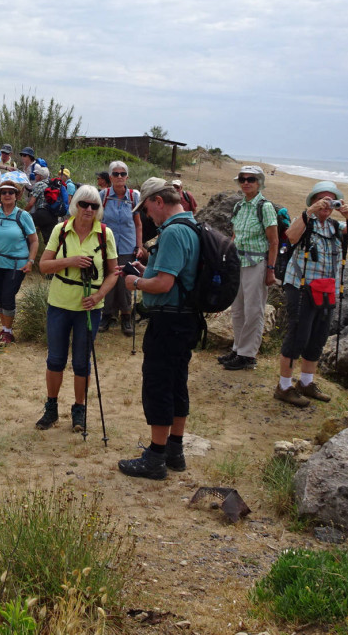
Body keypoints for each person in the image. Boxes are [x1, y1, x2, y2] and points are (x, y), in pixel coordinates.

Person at [118, 179, 199, 479]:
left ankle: (155, 457)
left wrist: (135, 282)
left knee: (158, 386)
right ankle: (174, 451)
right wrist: (145, 270)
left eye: (148, 209)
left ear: (159, 202)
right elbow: (172, 274)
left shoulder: (174, 232)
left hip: (168, 320)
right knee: (177, 383)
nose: (148, 216)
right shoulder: (191, 226)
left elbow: (164, 284)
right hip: (185, 318)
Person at [275, 180, 348, 406]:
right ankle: (283, 386)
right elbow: (292, 236)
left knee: (318, 336)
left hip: (327, 289)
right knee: (298, 335)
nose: (326, 204)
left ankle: (306, 382)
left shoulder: (336, 227)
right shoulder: (306, 221)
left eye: (331, 200)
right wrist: (309, 213)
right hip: (301, 286)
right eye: (321, 199)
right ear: (313, 201)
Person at [35, 186, 119, 433]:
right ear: (75, 206)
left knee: (82, 362)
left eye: (94, 206)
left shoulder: (105, 234)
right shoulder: (61, 230)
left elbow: (114, 272)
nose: (89, 210)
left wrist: (98, 296)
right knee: (56, 359)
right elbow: (44, 266)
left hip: (90, 307)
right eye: (84, 204)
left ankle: (79, 410)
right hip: (60, 304)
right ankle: (51, 408)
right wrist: (70, 261)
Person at [219, 165, 277, 371]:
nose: (246, 182)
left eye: (250, 179)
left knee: (254, 310)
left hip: (256, 264)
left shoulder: (265, 207)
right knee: (237, 309)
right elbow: (235, 235)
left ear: (259, 182)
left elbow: (273, 241)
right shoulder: (240, 207)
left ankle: (248, 355)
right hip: (239, 263)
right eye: (242, 179)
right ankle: (238, 348)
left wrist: (270, 270)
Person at [0, 172, 39, 344]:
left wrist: (30, 261)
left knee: (8, 296)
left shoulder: (23, 216)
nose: (7, 195)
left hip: (16, 264)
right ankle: (4, 329)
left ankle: (8, 332)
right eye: (3, 192)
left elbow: (34, 240)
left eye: (11, 192)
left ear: (17, 195)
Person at [99, 160, 142, 337]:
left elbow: (138, 224)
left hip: (127, 245)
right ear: (110, 177)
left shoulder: (134, 197)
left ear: (127, 177)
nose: (119, 177)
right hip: (107, 246)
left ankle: (126, 316)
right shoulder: (103, 196)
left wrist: (139, 246)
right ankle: (107, 315)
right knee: (109, 279)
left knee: (126, 281)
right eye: (115, 174)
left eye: (122, 174)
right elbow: (97, 222)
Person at [27, 164, 57, 243]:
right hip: (53, 216)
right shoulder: (52, 185)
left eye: (36, 174)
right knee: (50, 242)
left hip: (42, 213)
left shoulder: (39, 184)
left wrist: (22, 212)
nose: (35, 176)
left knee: (24, 222)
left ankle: (26, 249)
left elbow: (31, 203)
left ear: (40, 176)